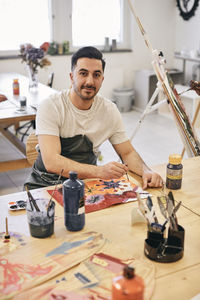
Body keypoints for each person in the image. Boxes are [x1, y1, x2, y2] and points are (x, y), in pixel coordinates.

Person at [25, 46, 163, 190]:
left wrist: (146, 171)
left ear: (102, 79)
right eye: (83, 73)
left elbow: (127, 152)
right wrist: (100, 171)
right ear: (72, 77)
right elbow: (52, 162)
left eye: (96, 75)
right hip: (44, 184)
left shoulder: (109, 110)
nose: (90, 81)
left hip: (86, 183)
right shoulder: (50, 106)